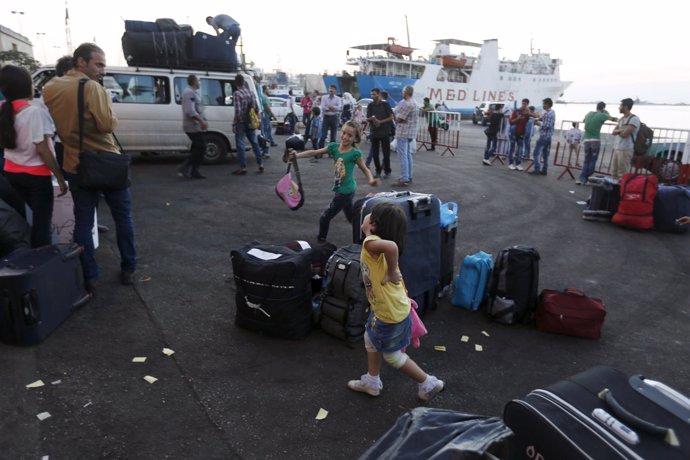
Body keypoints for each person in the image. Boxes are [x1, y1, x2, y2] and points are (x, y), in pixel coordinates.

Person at [43, 43, 137, 292]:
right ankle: (128, 268)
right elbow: (107, 125)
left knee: (83, 221)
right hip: (106, 163)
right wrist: (109, 107)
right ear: (81, 62)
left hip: (75, 163)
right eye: (98, 64)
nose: (102, 70)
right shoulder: (92, 88)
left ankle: (90, 276)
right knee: (123, 217)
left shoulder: (50, 88)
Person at [347, 201, 445, 401]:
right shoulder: (379, 244)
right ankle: (372, 382)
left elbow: (391, 247)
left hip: (388, 313)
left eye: (370, 215)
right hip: (390, 308)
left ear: (374, 224)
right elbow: (391, 246)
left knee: (392, 355)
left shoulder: (371, 242)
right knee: (370, 338)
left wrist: (390, 271)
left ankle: (428, 383)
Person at [0, 65, 68, 247]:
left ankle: (23, 255)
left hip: (11, 173)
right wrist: (60, 178)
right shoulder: (35, 113)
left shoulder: (3, 110)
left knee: (24, 217)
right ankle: (40, 264)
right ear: (28, 87)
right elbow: (43, 150)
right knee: (41, 224)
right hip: (36, 177)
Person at [288, 120, 378, 243]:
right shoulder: (334, 147)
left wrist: (371, 179)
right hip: (342, 189)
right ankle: (367, 233)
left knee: (325, 217)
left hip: (345, 191)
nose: (345, 137)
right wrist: (297, 156)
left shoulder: (354, 154)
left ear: (355, 139)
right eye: (344, 133)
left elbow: (365, 169)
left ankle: (321, 241)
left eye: (350, 135)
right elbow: (314, 152)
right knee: (352, 217)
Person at [577, 102, 617, 185]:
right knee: (593, 160)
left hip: (586, 140)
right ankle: (586, 177)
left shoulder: (589, 113)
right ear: (603, 108)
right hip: (595, 140)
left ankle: (581, 178)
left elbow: (584, 121)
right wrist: (606, 113)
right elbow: (614, 119)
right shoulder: (602, 115)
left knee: (586, 160)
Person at [231, 74, 264, 175]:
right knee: (254, 143)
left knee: (240, 144)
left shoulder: (237, 94)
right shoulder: (251, 93)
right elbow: (257, 108)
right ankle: (260, 164)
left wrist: (234, 124)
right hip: (250, 122)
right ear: (244, 83)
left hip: (241, 123)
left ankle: (243, 167)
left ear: (236, 83)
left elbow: (238, 112)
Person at [177, 74, 207, 179]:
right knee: (201, 147)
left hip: (196, 126)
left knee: (196, 148)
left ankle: (194, 171)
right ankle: (184, 167)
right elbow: (190, 111)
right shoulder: (189, 92)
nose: (200, 83)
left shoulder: (193, 92)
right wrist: (201, 121)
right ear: (194, 82)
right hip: (192, 126)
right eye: (199, 80)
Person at [365, 88, 394, 178]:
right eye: (371, 94)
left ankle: (387, 171)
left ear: (379, 94)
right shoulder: (370, 105)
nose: (373, 96)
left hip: (385, 131)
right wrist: (373, 119)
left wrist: (380, 121)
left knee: (386, 153)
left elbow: (391, 117)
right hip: (374, 132)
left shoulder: (385, 104)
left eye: (374, 94)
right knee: (375, 153)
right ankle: (378, 171)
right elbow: (367, 118)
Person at [394, 85, 419, 186]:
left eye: (403, 91)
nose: (402, 93)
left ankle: (404, 177)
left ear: (405, 92)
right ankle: (409, 176)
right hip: (410, 133)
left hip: (403, 132)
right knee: (408, 155)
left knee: (403, 155)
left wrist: (395, 113)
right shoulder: (415, 102)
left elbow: (399, 119)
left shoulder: (407, 104)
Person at [610, 98, 640, 180]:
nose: (619, 107)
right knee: (614, 172)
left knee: (622, 173)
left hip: (625, 149)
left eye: (620, 106)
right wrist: (621, 129)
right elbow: (613, 132)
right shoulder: (621, 119)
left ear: (626, 107)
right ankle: (614, 190)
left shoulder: (634, 119)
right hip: (617, 148)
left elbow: (624, 134)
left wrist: (619, 131)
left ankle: (621, 191)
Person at [529, 98, 555, 176]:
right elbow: (542, 118)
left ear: (547, 104)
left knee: (536, 153)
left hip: (544, 136)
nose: (543, 105)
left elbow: (547, 125)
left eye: (544, 104)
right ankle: (544, 170)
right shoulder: (552, 112)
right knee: (545, 154)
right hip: (549, 136)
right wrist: (536, 118)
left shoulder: (548, 113)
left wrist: (537, 123)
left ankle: (537, 169)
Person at [507, 99, 532, 171]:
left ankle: (518, 164)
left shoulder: (527, 113)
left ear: (527, 105)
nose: (523, 105)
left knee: (520, 148)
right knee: (512, 147)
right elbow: (511, 121)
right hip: (513, 132)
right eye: (522, 103)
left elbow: (535, 115)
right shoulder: (516, 111)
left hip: (521, 132)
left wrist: (530, 113)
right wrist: (518, 118)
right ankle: (511, 163)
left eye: (525, 104)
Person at [319, 84, 341, 149]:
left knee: (333, 136)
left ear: (335, 91)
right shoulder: (324, 97)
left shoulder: (338, 98)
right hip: (326, 117)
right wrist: (333, 108)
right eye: (330, 88)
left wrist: (331, 107)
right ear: (329, 89)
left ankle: (331, 152)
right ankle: (320, 151)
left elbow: (339, 108)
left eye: (333, 89)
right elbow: (323, 107)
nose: (331, 90)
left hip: (334, 117)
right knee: (323, 135)